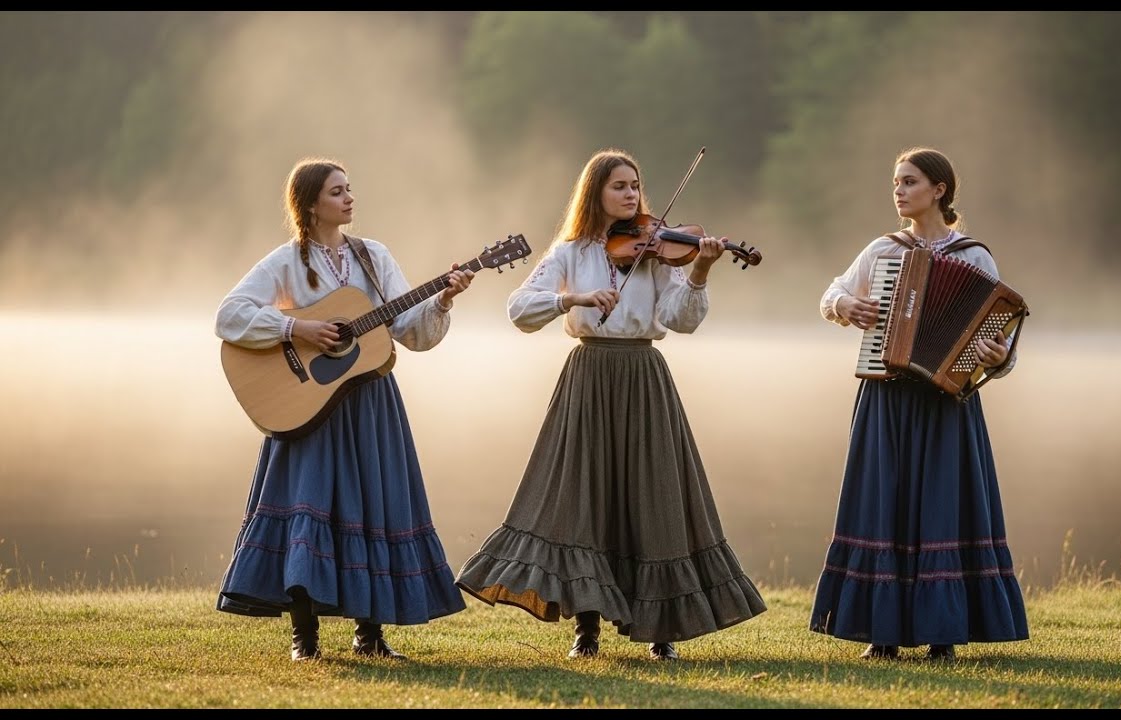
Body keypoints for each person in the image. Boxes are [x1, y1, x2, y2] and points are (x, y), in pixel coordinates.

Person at [454, 147, 767, 661]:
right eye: (619, 186)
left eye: (635, 186)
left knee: (654, 494)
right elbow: (518, 309)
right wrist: (571, 300)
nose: (631, 194)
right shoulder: (571, 253)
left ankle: (661, 632)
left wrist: (702, 271)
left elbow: (682, 320)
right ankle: (587, 630)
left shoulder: (660, 252)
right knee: (584, 498)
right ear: (595, 192)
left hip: (644, 376)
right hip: (588, 376)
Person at [214, 157, 473, 661]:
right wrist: (298, 329)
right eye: (337, 192)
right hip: (308, 409)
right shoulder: (287, 261)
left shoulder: (373, 257)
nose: (349, 198)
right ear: (310, 204)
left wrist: (442, 301)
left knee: (372, 508)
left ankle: (370, 636)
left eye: (349, 189)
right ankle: (303, 639)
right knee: (307, 514)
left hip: (369, 405)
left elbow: (409, 332)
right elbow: (230, 315)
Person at [809, 146, 1029, 661]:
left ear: (939, 190)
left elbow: (1000, 350)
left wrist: (996, 356)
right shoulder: (883, 251)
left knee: (941, 511)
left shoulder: (974, 257)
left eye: (909, 182)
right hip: (885, 395)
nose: (899, 191)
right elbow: (829, 295)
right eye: (895, 183)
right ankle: (880, 636)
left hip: (946, 405)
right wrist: (847, 305)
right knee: (883, 505)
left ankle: (942, 636)